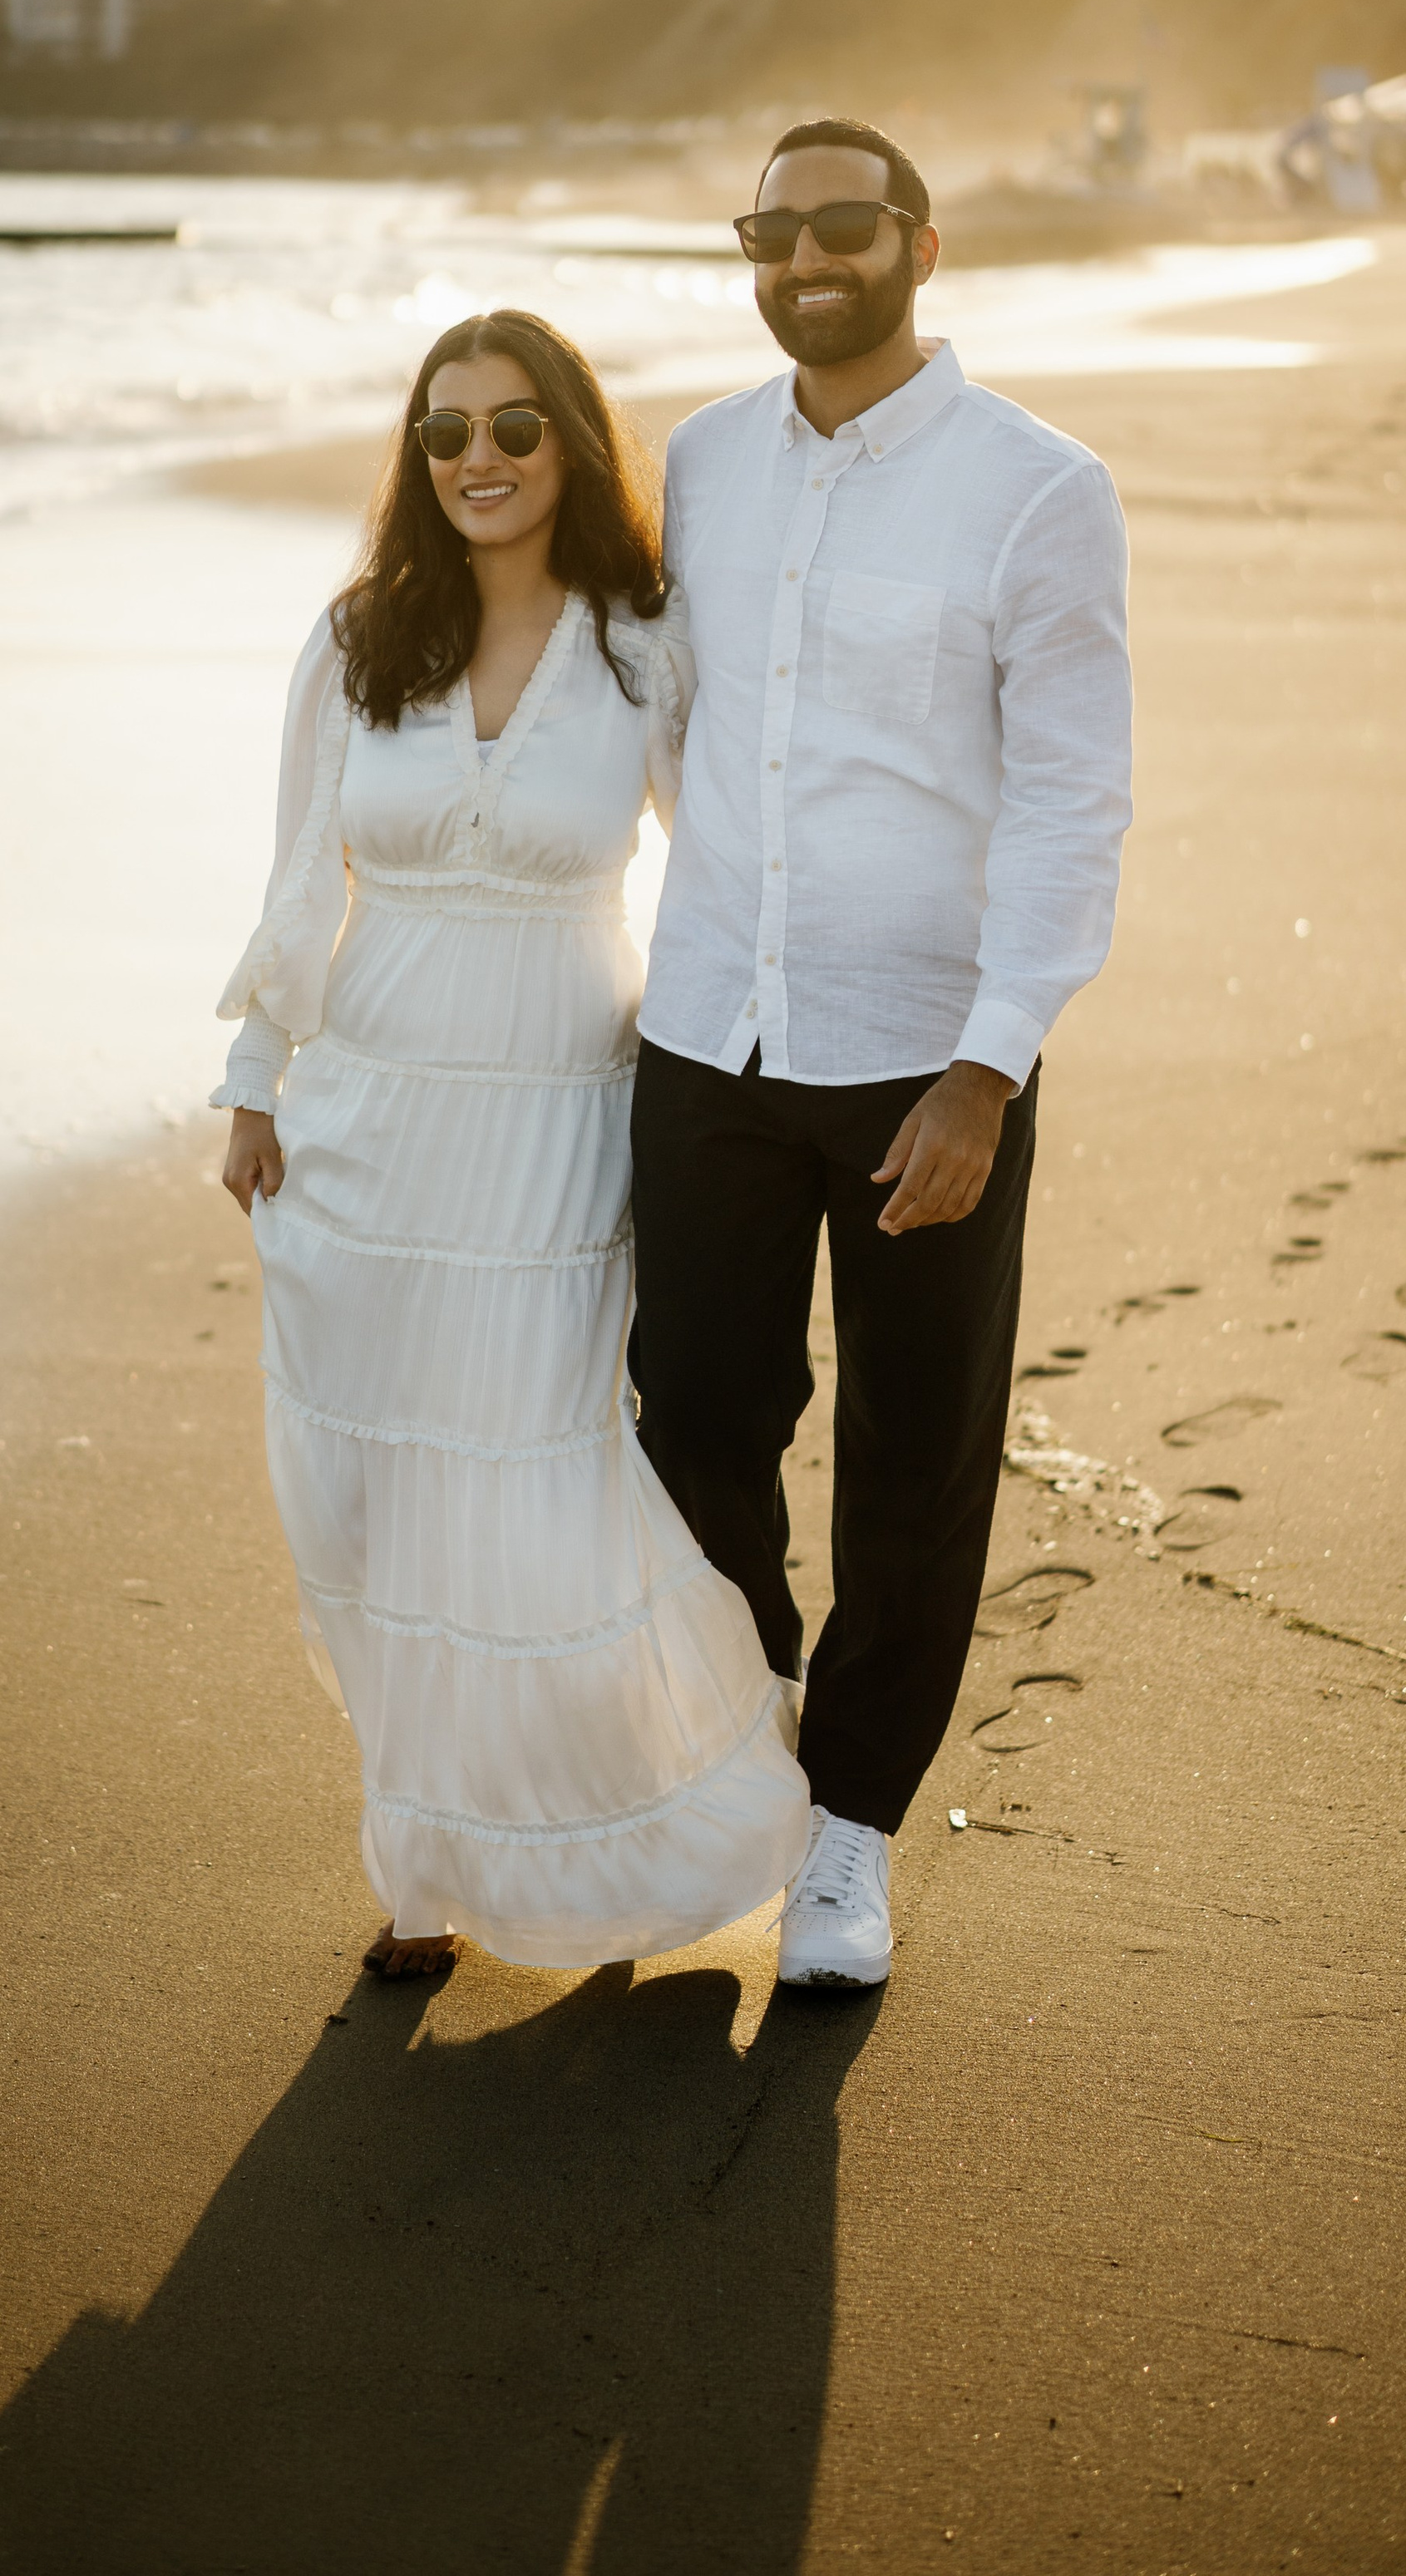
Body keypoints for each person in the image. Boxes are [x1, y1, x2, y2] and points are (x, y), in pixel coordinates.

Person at [213, 310, 810, 1978]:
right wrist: (256, 1079)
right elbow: (294, 880)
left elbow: (718, 872)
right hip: (362, 1128)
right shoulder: (353, 642)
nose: (476, 459)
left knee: (537, 1491)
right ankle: (418, 1861)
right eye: (443, 433)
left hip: (555, 1125)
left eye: (512, 429)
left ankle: (611, 1845)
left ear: (570, 446)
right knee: (367, 1505)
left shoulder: (645, 649)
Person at [629, 116, 1132, 1991]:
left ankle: (845, 1836)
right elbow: (665, 724)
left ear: (918, 245)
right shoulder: (695, 461)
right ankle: (747, 1728)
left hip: (926, 1057)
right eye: (767, 230)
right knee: (689, 1418)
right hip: (703, 1037)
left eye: (838, 226)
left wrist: (988, 1066)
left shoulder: (1035, 489)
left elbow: (1074, 802)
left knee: (913, 1465)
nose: (800, 259)